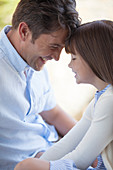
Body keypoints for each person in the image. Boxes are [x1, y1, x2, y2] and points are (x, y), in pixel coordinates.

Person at [14, 20, 113, 170]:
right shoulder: (101, 99)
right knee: (31, 164)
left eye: (74, 58)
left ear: (93, 58)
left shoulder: (109, 101)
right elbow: (69, 142)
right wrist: (42, 163)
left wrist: (44, 167)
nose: (69, 65)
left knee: (29, 165)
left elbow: (80, 159)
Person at [0, 0, 80, 169]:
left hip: (53, 152)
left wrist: (92, 144)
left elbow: (54, 113)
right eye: (54, 46)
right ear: (24, 31)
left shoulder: (34, 59)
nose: (57, 57)